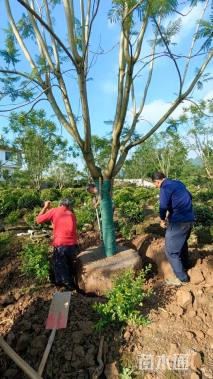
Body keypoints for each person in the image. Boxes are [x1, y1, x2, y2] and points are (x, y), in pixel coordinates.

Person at [152, 172, 195, 286]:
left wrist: (162, 219)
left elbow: (163, 206)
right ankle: (186, 266)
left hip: (178, 222)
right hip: (189, 219)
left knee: (171, 251)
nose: (155, 186)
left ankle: (182, 279)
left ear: (158, 181)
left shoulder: (164, 187)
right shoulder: (178, 183)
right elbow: (189, 196)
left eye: (155, 184)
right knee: (182, 244)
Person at [36, 198, 78, 290]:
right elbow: (57, 226)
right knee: (69, 267)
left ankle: (68, 289)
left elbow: (38, 220)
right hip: (73, 246)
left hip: (61, 246)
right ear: (68, 206)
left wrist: (45, 207)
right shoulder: (72, 215)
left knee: (60, 268)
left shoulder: (54, 211)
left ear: (60, 204)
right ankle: (73, 286)